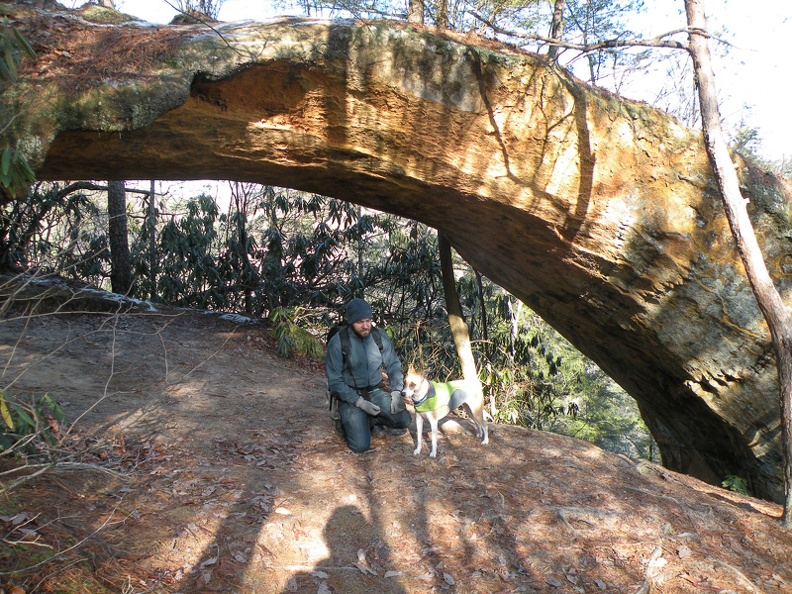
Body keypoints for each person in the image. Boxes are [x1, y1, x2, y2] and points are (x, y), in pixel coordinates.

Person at [326, 298, 411, 452]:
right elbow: (335, 381)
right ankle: (346, 419)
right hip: (351, 396)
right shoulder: (339, 342)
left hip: (375, 391)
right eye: (360, 322)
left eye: (368, 321)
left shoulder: (378, 336)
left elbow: (393, 364)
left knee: (404, 419)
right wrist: (358, 402)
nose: (365, 326)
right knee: (360, 446)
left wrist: (397, 392)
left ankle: (372, 420)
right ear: (351, 321)